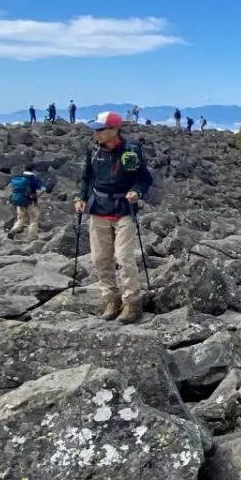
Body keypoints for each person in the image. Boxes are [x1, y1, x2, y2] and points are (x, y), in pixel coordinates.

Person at [75, 111, 154, 323]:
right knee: (100, 259)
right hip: (98, 208)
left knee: (124, 258)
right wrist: (80, 197)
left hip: (123, 209)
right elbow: (86, 177)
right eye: (96, 129)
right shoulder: (93, 151)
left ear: (114, 131)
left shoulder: (131, 151)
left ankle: (131, 303)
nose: (96, 134)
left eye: (100, 130)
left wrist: (137, 191)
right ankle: (111, 299)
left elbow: (145, 179)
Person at [5, 166, 45, 242]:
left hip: (19, 200)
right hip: (30, 201)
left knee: (20, 220)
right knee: (33, 221)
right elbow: (43, 189)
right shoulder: (33, 178)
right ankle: (31, 238)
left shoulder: (18, 177)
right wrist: (37, 196)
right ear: (33, 170)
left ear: (24, 169)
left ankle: (12, 231)